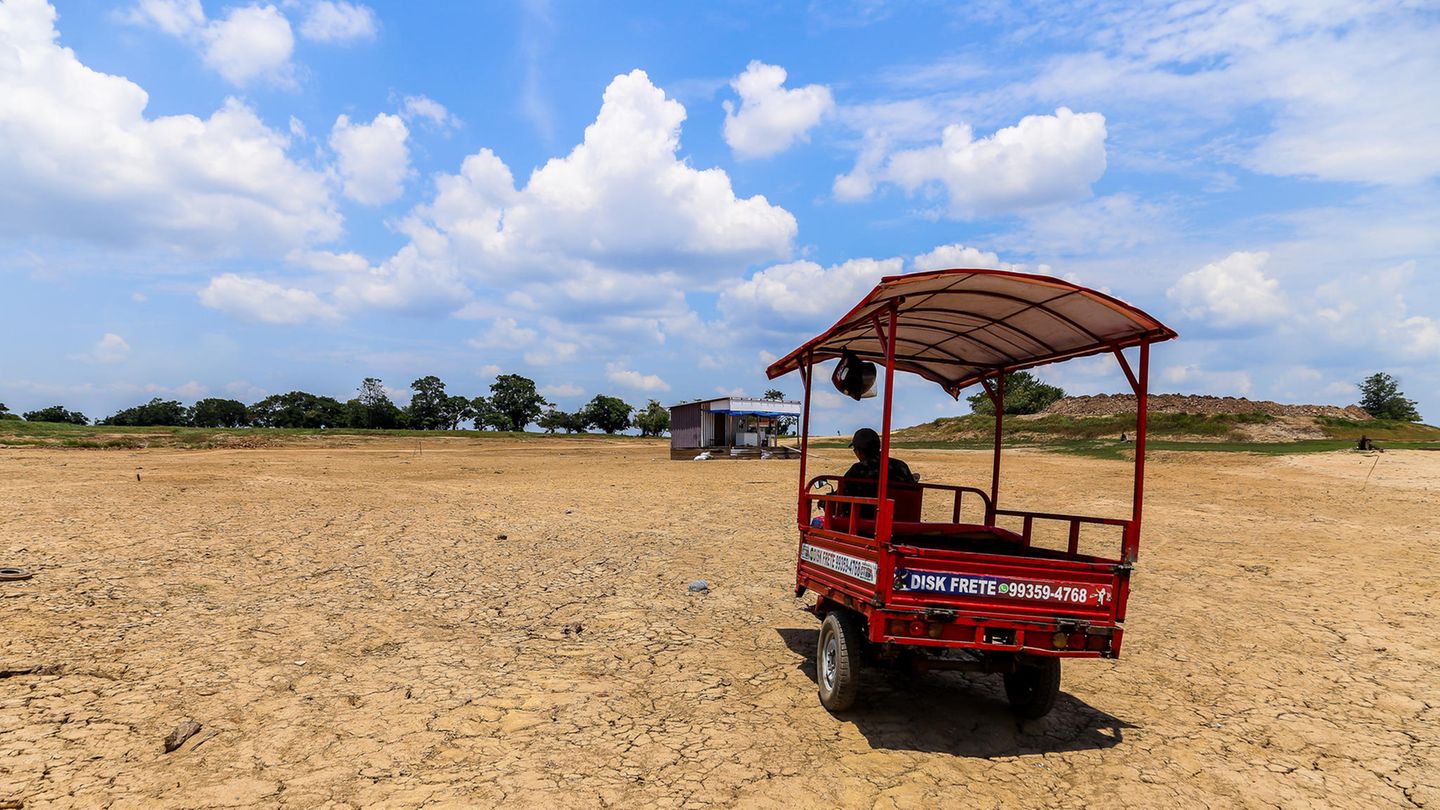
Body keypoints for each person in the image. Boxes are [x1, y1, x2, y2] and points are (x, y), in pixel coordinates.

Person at [834, 427, 918, 521]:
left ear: (859, 451)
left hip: (867, 524)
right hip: (903, 521)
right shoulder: (900, 465)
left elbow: (841, 496)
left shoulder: (858, 469)